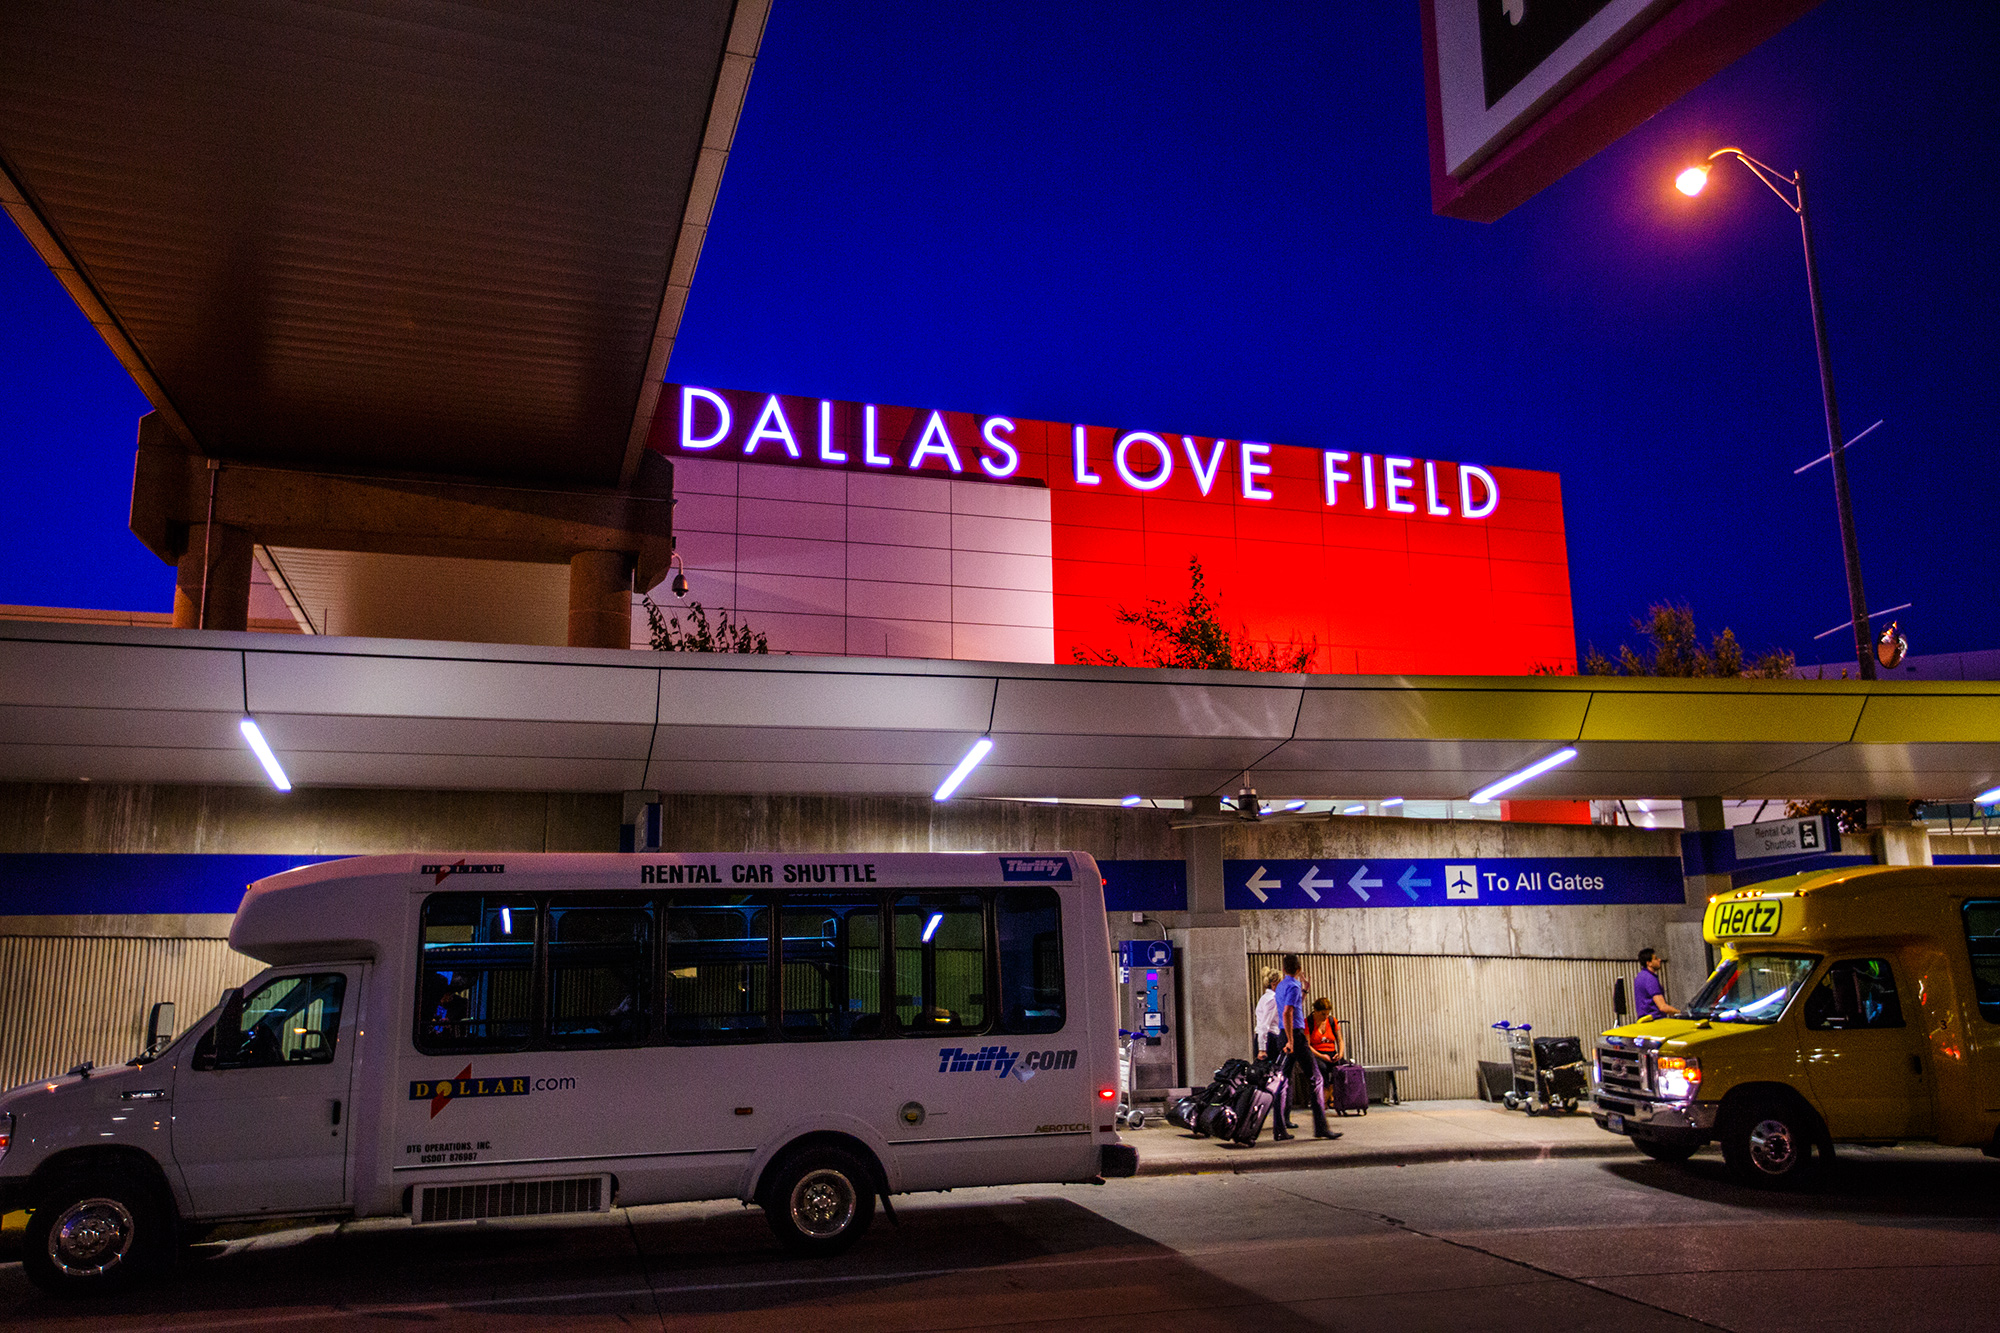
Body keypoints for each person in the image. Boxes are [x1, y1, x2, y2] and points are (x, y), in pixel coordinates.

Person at [1276, 955, 1339, 1142]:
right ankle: (1321, 1128)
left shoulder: (1281, 986)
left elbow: (1293, 1007)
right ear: (1299, 968)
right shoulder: (1293, 985)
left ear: (1284, 968)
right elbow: (1288, 1012)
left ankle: (1279, 1129)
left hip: (1283, 1034)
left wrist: (1305, 991)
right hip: (1294, 1036)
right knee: (1317, 1079)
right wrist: (1291, 1040)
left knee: (1282, 1082)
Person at [1251, 970, 1294, 1132]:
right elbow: (1264, 1025)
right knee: (1279, 1079)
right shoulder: (1272, 999)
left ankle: (1277, 1117)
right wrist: (1262, 1049)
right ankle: (1282, 1118)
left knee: (1269, 1080)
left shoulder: (1266, 998)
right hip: (1271, 1041)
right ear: (1274, 984)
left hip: (1267, 1040)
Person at [1635, 947, 1679, 1019]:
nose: (1659, 960)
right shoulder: (1650, 979)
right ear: (1649, 963)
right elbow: (1662, 1007)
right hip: (1655, 1020)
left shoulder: (1639, 977)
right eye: (1655, 959)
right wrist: (1681, 1013)